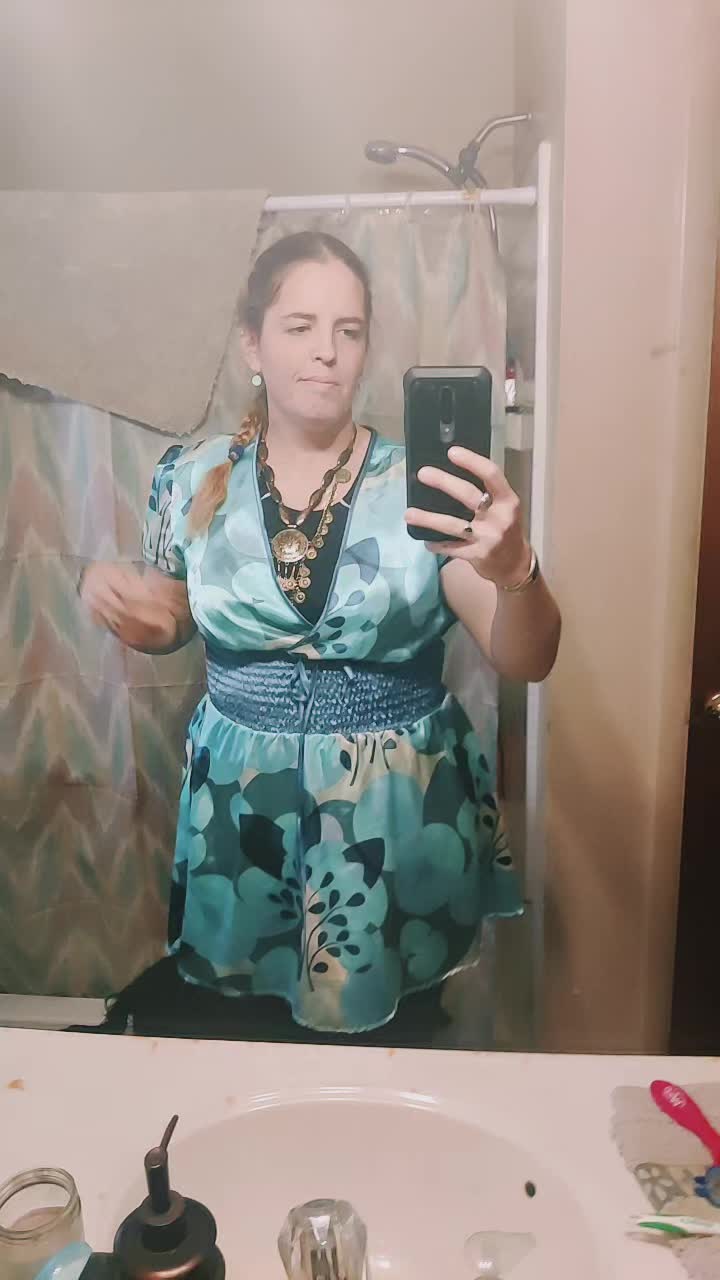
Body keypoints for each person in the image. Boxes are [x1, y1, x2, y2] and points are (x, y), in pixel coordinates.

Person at [77, 231, 560, 1044]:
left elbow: (528, 657)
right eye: (300, 326)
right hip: (243, 814)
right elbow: (173, 617)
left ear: (366, 347)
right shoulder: (188, 477)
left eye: (349, 330)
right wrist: (124, 604)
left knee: (391, 1039)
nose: (326, 351)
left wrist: (518, 571)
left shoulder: (425, 483)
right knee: (247, 1035)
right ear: (252, 344)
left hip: (392, 819)